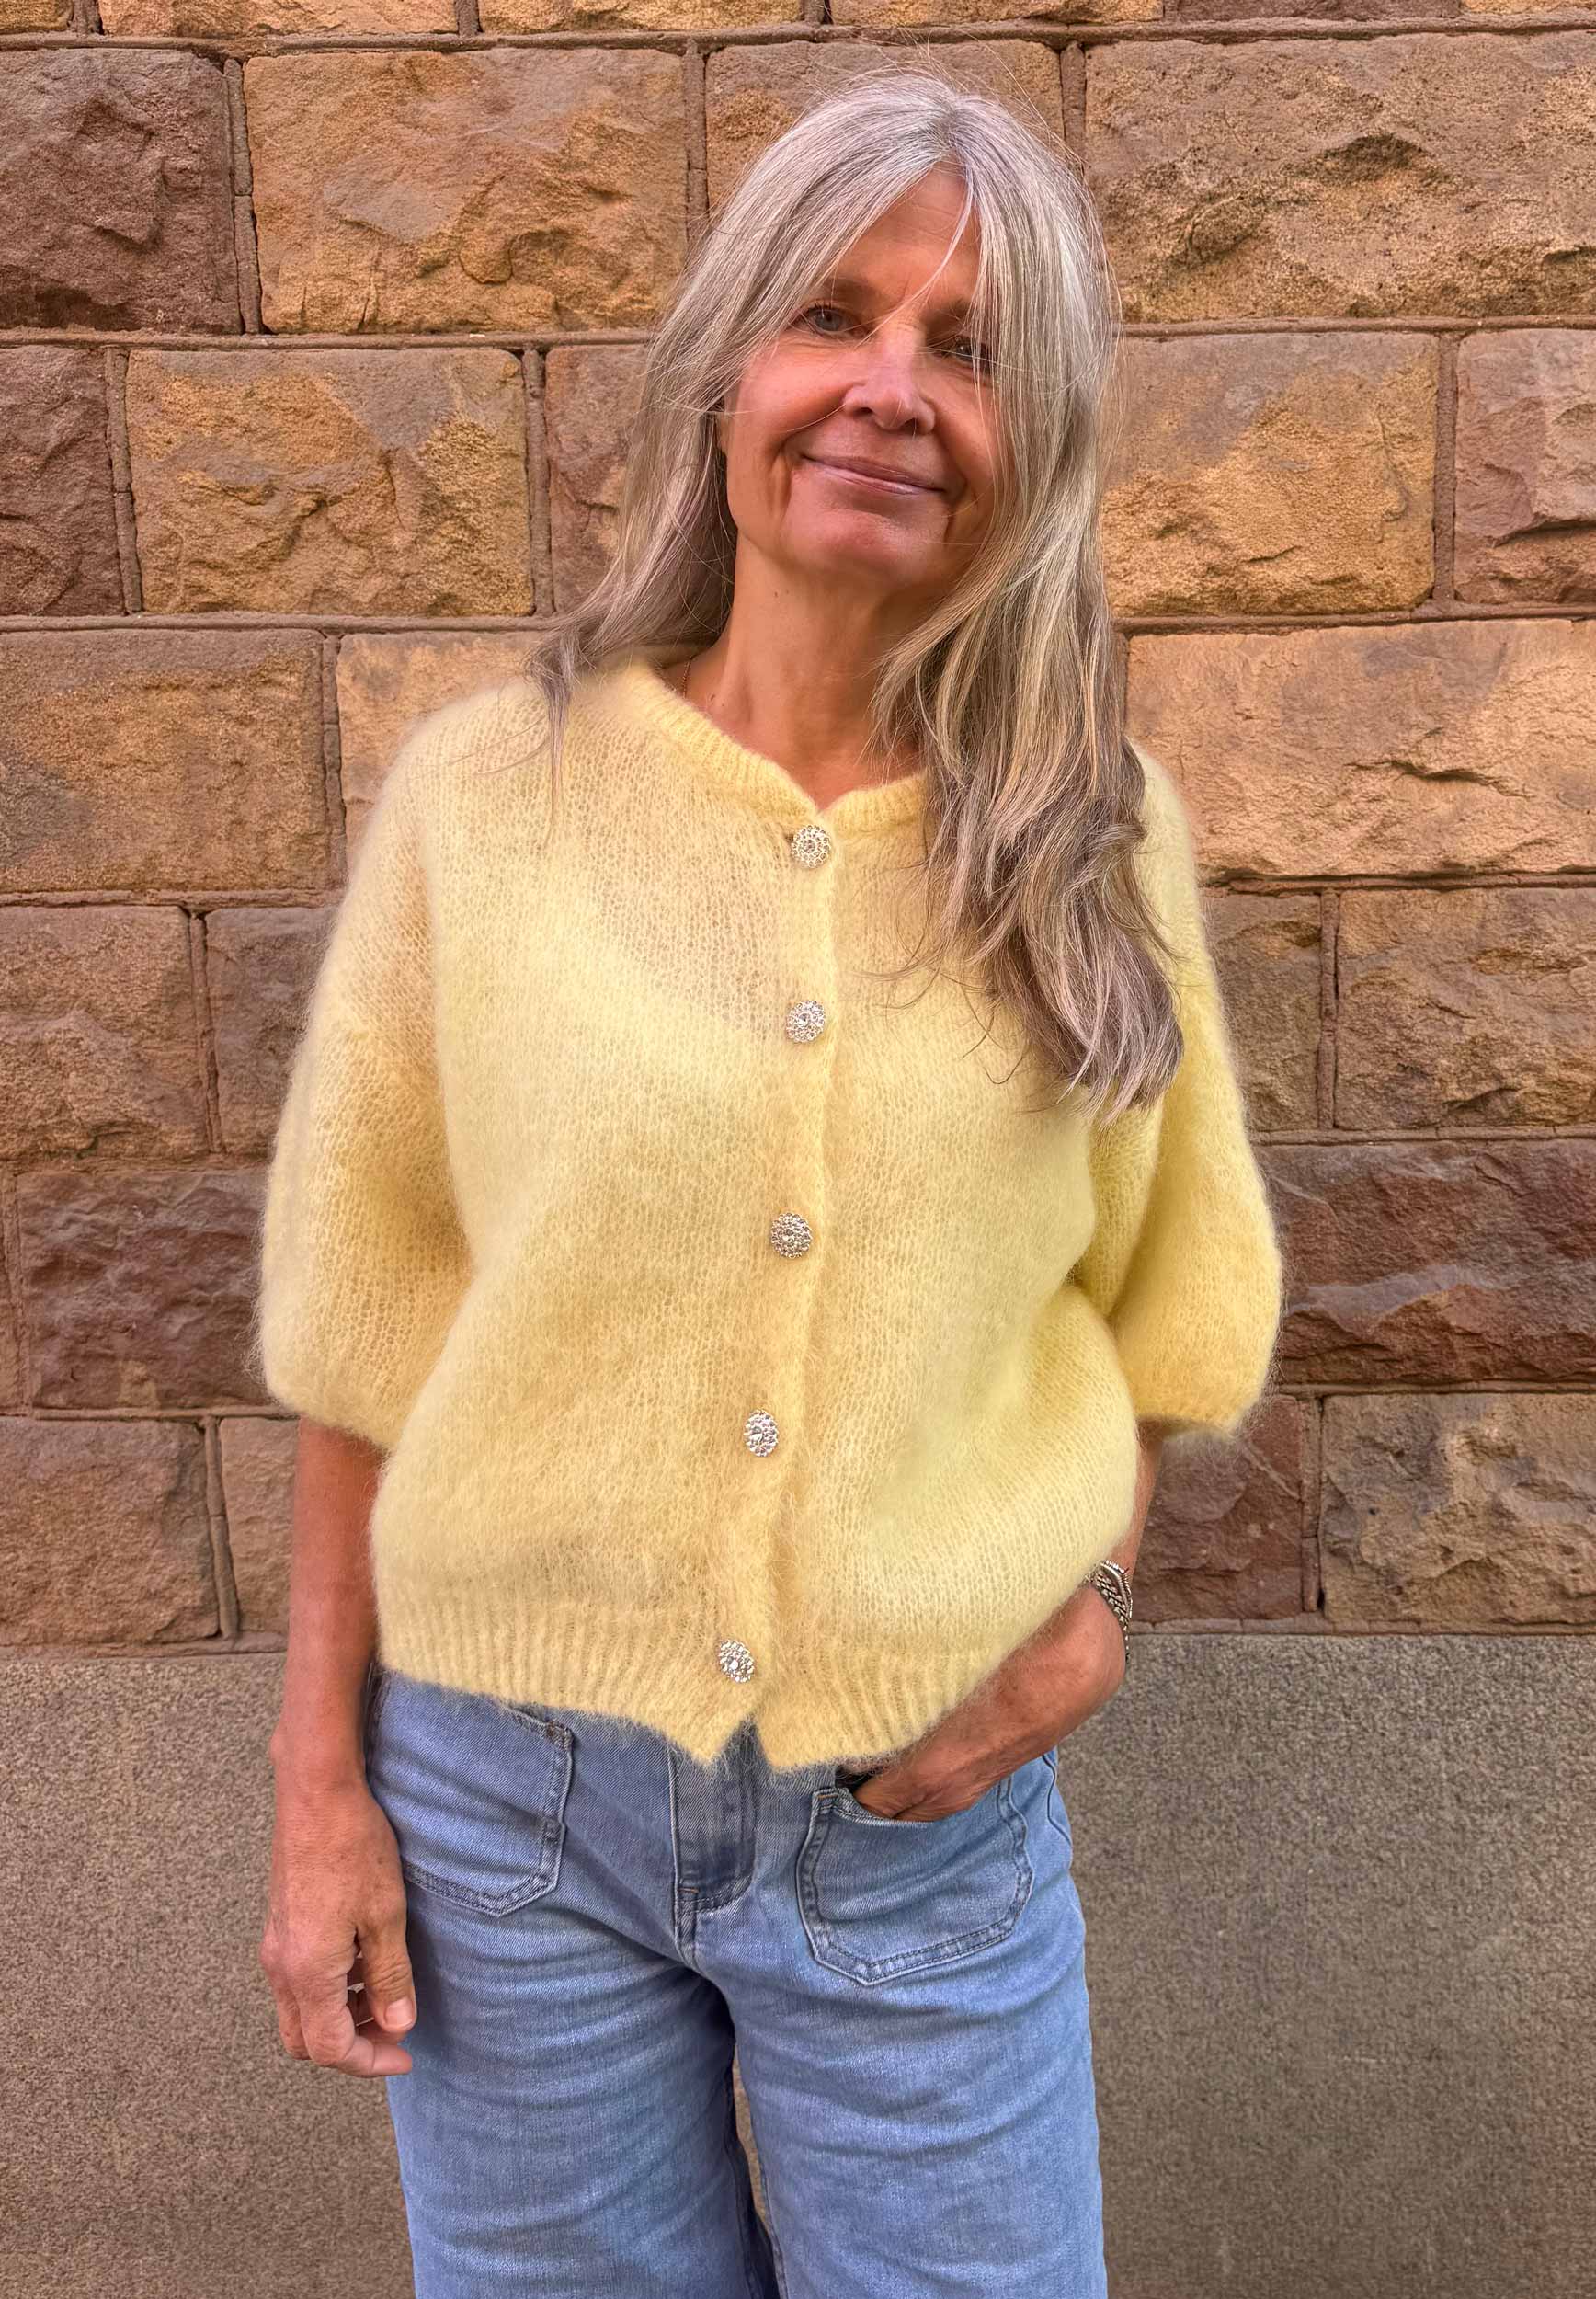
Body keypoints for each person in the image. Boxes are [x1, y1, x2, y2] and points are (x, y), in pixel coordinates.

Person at [254, 67, 1284, 2299]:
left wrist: (1083, 1630)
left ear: (1035, 438)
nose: (889, 387)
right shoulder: (489, 803)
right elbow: (366, 1334)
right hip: (506, 1819)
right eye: (834, 314)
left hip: (918, 1821)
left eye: (969, 348)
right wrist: (318, 1791)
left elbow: (1161, 1317)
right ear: (730, 370)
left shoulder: (1092, 841)